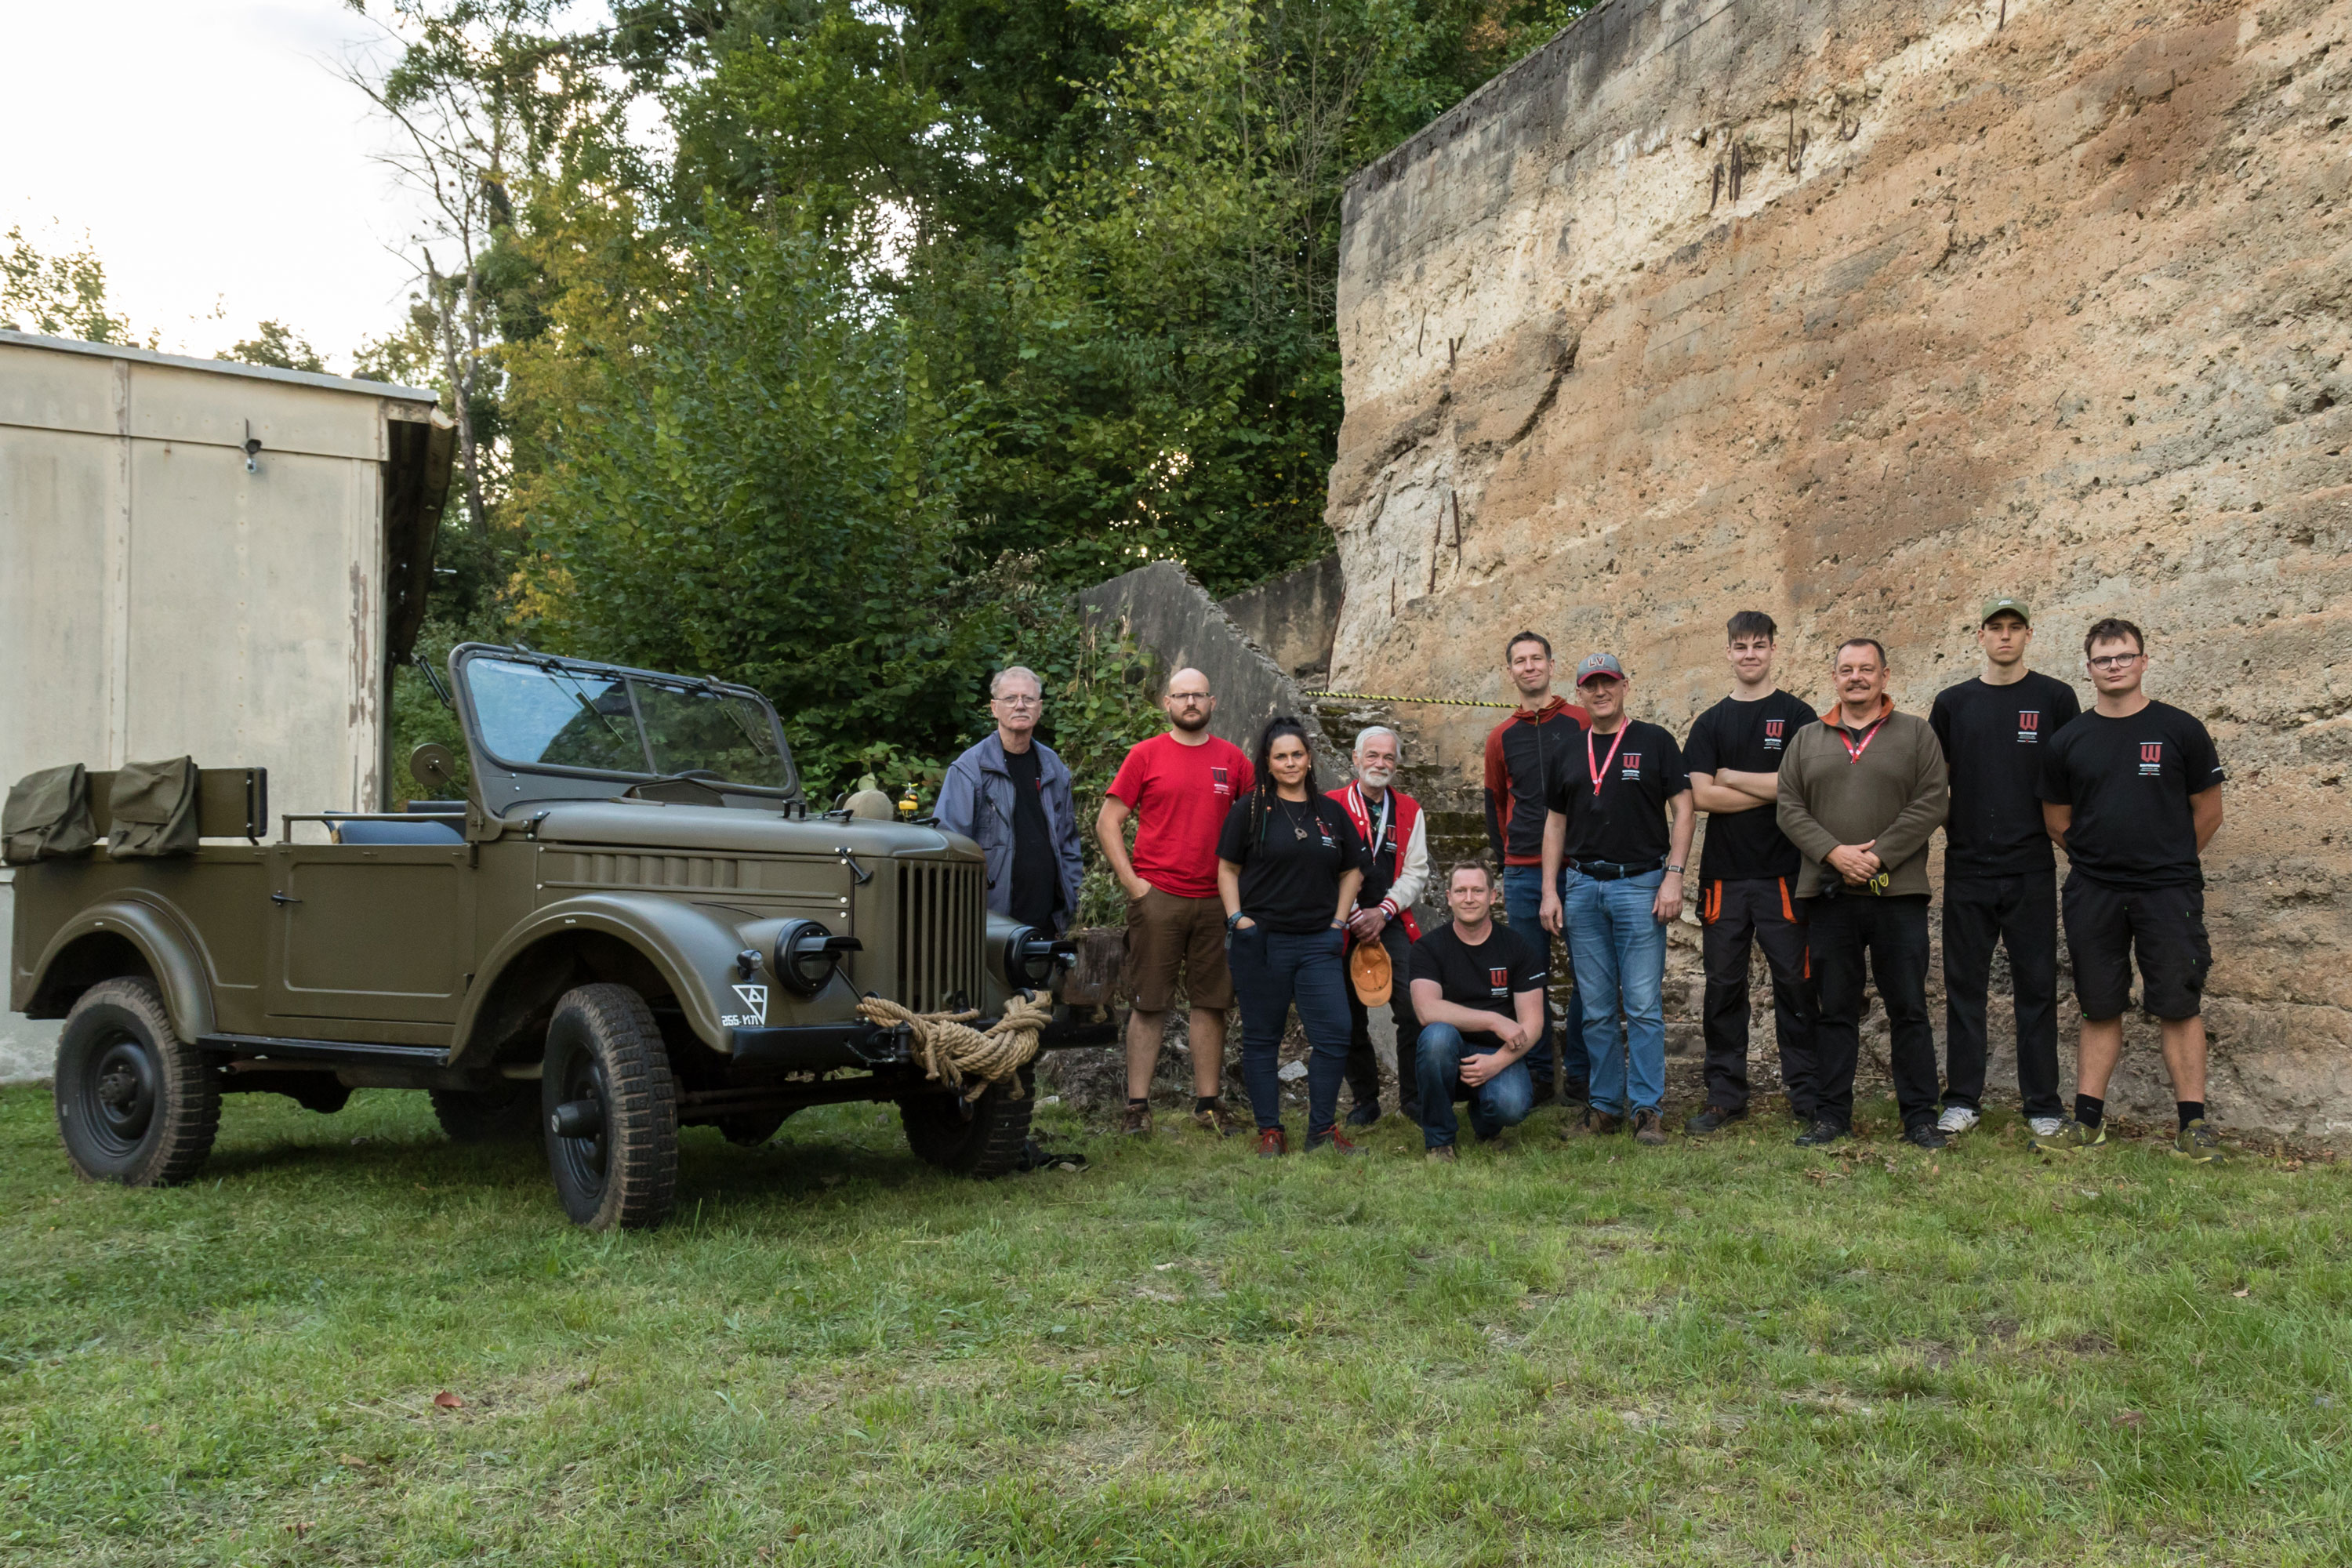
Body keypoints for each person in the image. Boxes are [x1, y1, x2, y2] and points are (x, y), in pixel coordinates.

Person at [2033, 619, 2227, 1162]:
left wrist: (2163, 861)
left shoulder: (2180, 729)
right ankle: (2088, 1123)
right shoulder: (2068, 740)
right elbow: (2056, 820)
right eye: (2104, 659)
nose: (2114, 666)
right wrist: (2101, 862)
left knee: (2178, 1005)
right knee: (2099, 1006)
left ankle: (2193, 1128)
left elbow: (2208, 813)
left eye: (2124, 657)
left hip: (2169, 892)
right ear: (2088, 667)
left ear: (2143, 661)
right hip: (2093, 892)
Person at [1775, 639, 1951, 1149]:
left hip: (1897, 895)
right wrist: (1835, 853)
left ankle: (1919, 1118)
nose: (1857, 677)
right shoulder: (1808, 739)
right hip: (1831, 894)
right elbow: (1789, 807)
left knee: (1909, 1008)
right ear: (1833, 678)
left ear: (1885, 676)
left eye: (1866, 669)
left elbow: (1932, 800)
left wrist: (1877, 857)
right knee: (1835, 1010)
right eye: (1847, 669)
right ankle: (1831, 1117)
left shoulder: (1916, 734)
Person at [1927, 598, 2083, 1139]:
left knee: (2036, 987)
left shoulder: (2055, 698)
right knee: (1964, 986)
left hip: (2031, 867)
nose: (2006, 637)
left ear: (2029, 635)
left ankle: (2042, 1104)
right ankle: (1963, 1100)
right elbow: (1935, 784)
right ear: (1980, 636)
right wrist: (1960, 834)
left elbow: (2071, 777)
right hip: (1968, 866)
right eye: (1996, 628)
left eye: (2015, 628)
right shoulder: (1953, 703)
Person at [1539, 654, 1693, 1147]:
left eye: (1608, 683)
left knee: (1644, 1005)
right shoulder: (1566, 749)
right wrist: (1550, 890)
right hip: (1583, 887)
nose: (1600, 692)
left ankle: (1647, 1108)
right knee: (1599, 1009)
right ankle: (1604, 1107)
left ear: (1625, 685)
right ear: (1579, 693)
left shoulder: (1655, 741)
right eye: (1590, 685)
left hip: (1641, 885)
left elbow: (1685, 810)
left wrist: (1674, 876)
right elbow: (1555, 824)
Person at [1098, 669, 1256, 1138]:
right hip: (1158, 897)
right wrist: (1135, 886)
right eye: (1182, 695)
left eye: (1199, 695)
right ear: (1166, 702)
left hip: (1217, 900)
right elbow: (1109, 822)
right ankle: (1137, 1108)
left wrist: (1242, 895)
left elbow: (1254, 831)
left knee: (1212, 1004)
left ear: (1213, 701)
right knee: (1149, 1004)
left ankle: (1208, 1105)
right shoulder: (1145, 755)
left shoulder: (1234, 761)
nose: (1191, 702)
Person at [1682, 611, 1822, 1133]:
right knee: (1723, 987)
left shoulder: (1798, 716)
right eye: (1740, 646)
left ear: (1773, 650)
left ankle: (1807, 1094)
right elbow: (1700, 796)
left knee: (1795, 985)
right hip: (1724, 877)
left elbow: (1803, 787)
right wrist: (1773, 790)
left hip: (1785, 875)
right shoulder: (1711, 722)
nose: (1749, 655)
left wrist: (1735, 779)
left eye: (1758, 646)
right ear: (1728, 652)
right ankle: (1724, 1096)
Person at [1216, 717, 1370, 1157]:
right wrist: (1238, 919)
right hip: (1261, 943)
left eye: (1297, 755)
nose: (1290, 763)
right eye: (1280, 756)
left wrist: (1338, 924)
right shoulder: (1249, 809)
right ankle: (1271, 1131)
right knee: (1263, 1038)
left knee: (1336, 1033)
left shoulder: (1329, 812)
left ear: (1309, 758)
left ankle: (1321, 1132)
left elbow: (1353, 869)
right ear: (1267, 761)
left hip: (1319, 943)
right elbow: (1227, 868)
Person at [1483, 630, 1590, 1102]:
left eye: (1536, 658)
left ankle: (1583, 1071)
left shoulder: (1583, 720)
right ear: (1511, 672)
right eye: (1520, 661)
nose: (1529, 667)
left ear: (1551, 664)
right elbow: (1495, 804)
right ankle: (1542, 1075)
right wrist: (1506, 866)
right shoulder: (1500, 737)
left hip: (1581, 867)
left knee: (1592, 974)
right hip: (1524, 871)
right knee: (1530, 979)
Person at [1410, 862, 1547, 1160]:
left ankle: (1485, 1124)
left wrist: (1497, 1062)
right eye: (1460, 891)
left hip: (1498, 1053)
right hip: (1448, 1052)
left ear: (1493, 896)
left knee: (1511, 1106)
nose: (1469, 898)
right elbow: (1426, 1009)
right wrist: (1494, 1019)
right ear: (1448, 897)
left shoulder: (1517, 947)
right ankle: (1440, 1141)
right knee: (1436, 1037)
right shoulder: (1428, 947)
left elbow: (1533, 1023)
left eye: (1477, 890)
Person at [935, 666, 1085, 936]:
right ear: (994, 708)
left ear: (1039, 708)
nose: (1020, 705)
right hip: (990, 921)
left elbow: (1068, 842)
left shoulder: (1053, 766)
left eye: (1028, 699)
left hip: (1048, 918)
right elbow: (949, 850)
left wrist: (1070, 894)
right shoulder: (970, 769)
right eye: (1010, 699)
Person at [1332, 726, 1430, 1127]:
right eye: (1372, 756)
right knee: (1345, 1014)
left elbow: (1416, 871)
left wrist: (1383, 911)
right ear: (1355, 759)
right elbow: (1323, 866)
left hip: (1390, 921)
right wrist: (1354, 914)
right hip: (1340, 920)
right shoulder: (1330, 805)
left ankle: (1412, 1097)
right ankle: (1365, 1100)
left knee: (1413, 1006)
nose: (1380, 764)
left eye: (1388, 757)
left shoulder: (1409, 808)